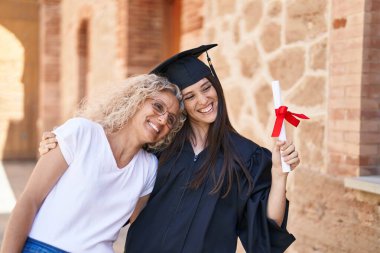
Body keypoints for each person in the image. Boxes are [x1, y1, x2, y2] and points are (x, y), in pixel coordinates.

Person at [38, 44, 299, 253]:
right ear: (182, 105)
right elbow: (104, 163)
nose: (204, 100)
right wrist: (59, 147)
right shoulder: (157, 148)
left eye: (206, 88)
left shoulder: (246, 157)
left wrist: (279, 175)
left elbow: (267, 232)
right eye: (190, 96)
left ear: (215, 86)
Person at [0, 74, 185, 253]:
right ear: (137, 100)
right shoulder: (81, 133)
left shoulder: (149, 168)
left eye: (171, 119)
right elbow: (29, 200)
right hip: (44, 247)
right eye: (158, 106)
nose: (162, 120)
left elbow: (141, 229)